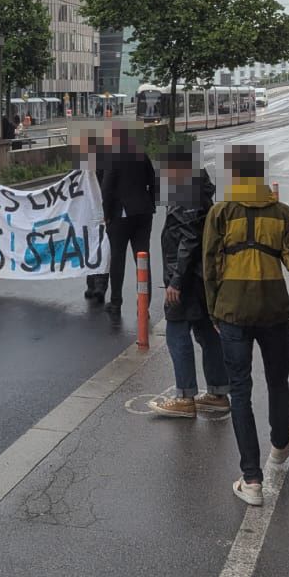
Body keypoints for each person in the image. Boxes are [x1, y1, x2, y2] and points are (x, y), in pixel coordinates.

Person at [204, 144, 289, 506]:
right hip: (274, 312)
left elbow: (209, 268)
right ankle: (280, 445)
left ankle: (251, 480)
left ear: (234, 176)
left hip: (232, 313)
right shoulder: (281, 213)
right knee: (278, 381)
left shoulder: (220, 213)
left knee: (241, 391)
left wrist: (214, 311)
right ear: (261, 175)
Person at [150, 145, 229, 419]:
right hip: (200, 276)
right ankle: (218, 393)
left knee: (176, 331)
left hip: (187, 278)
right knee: (206, 332)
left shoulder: (187, 195)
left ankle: (185, 396)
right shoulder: (197, 190)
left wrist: (175, 281)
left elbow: (188, 240)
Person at [91, 124, 158, 318]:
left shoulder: (113, 159)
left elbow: (107, 189)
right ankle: (143, 305)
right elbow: (153, 183)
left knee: (118, 259)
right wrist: (150, 204)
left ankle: (116, 302)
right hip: (143, 214)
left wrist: (107, 213)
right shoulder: (142, 156)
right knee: (142, 259)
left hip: (121, 216)